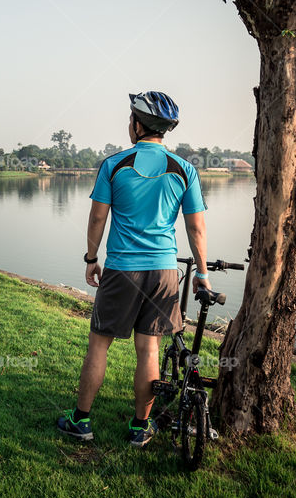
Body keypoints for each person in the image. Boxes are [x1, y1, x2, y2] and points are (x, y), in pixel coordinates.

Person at [56, 91, 210, 448]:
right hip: (164, 271)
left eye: (130, 119)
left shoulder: (114, 164)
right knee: (150, 349)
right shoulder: (184, 170)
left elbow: (97, 216)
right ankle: (140, 428)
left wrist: (91, 258)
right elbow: (196, 228)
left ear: (139, 125)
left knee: (99, 345)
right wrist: (201, 272)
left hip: (123, 269)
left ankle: (81, 421)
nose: (129, 124)